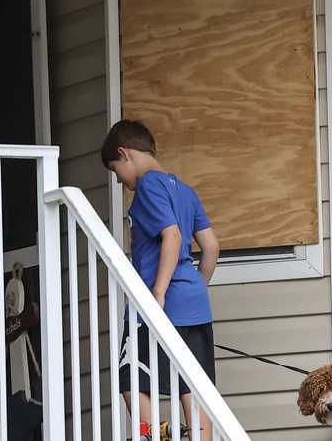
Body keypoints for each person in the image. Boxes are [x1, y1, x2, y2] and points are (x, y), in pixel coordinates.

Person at [101, 119, 220, 441]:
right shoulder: (185, 190)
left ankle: (150, 433)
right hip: (193, 301)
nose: (120, 181)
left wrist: (159, 293)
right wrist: (195, 288)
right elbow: (210, 247)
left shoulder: (148, 186)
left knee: (131, 379)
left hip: (157, 304)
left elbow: (171, 235)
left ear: (124, 154)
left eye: (115, 171)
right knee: (193, 385)